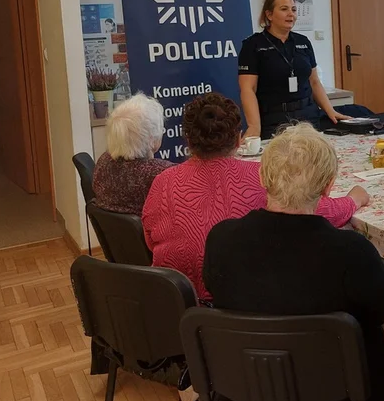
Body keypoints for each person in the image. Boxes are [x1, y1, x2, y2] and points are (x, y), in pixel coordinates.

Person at [203, 124, 384, 401]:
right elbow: (378, 313)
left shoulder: (221, 238)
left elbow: (219, 294)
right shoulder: (352, 251)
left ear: (264, 178)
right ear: (327, 187)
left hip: (245, 378)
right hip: (340, 388)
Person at [143, 93, 369, 301]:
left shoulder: (162, 182)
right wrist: (353, 200)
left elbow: (151, 240)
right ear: (239, 139)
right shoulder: (260, 176)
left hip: (176, 309)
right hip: (240, 304)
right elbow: (309, 211)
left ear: (188, 141)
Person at [239, 0, 350, 139]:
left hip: (308, 117)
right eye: (284, 9)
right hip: (274, 120)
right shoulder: (253, 45)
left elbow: (314, 81)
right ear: (269, 15)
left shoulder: (303, 42)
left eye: (293, 9)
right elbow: (248, 89)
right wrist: (254, 127)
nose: (291, 14)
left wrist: (330, 111)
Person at [92, 93, 172, 215]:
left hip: (116, 233)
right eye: (162, 130)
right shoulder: (163, 174)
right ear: (151, 140)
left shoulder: (103, 162)